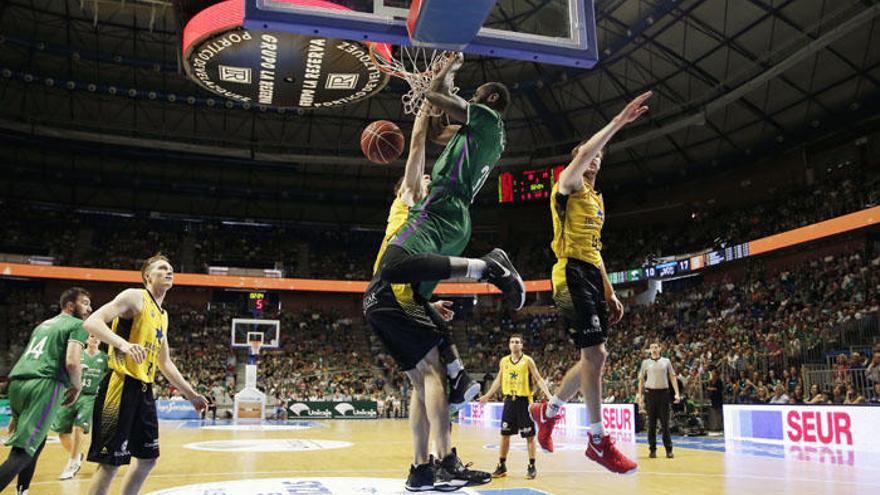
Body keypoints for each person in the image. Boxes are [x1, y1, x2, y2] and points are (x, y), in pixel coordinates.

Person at [364, 101, 489, 491]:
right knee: (433, 372)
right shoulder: (411, 198)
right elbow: (417, 144)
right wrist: (423, 108)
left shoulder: (410, 225)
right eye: (426, 184)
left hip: (382, 298)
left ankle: (420, 470)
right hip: (395, 292)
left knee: (420, 381)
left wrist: (426, 304)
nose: (431, 185)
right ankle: (446, 461)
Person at [529, 91, 652, 475]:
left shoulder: (598, 200)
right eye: (588, 151)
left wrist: (610, 290)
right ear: (579, 158)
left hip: (589, 274)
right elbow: (583, 155)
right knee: (595, 357)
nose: (594, 155)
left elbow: (595, 250)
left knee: (592, 358)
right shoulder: (566, 184)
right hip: (567, 273)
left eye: (599, 153)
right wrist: (618, 122)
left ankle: (546, 413)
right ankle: (597, 441)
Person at [375, 53, 525, 314]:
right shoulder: (482, 133)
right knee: (416, 298)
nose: (470, 99)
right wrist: (437, 97)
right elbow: (437, 133)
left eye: (476, 94)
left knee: (391, 266)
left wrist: (449, 69)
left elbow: (435, 96)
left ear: (491, 99)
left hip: (441, 204)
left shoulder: (488, 117)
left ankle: (487, 266)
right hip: (457, 217)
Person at [84, 254, 209, 495]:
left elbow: (165, 362)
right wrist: (124, 345)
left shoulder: (163, 315)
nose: (169, 271)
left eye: (171, 268)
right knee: (110, 464)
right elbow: (92, 322)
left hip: (144, 390)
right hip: (118, 386)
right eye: (162, 268)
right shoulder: (134, 296)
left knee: (148, 459)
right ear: (147, 276)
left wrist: (191, 395)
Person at [0, 287, 92, 494]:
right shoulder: (79, 325)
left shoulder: (43, 325)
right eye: (85, 303)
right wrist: (76, 387)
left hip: (17, 382)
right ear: (70, 305)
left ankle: (22, 490)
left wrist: (19, 413)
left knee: (38, 440)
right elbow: (72, 362)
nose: (89, 309)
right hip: (45, 384)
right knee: (23, 451)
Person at [478, 334, 552, 480]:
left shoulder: (527, 360)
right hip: (509, 402)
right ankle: (502, 465)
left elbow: (538, 378)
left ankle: (531, 466)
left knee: (529, 435)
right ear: (509, 345)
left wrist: (549, 396)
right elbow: (498, 380)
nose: (514, 344)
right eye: (512, 342)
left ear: (522, 345)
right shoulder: (504, 361)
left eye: (517, 342)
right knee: (505, 435)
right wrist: (488, 395)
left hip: (524, 402)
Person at [53, 333, 108, 480]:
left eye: (97, 336)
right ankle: (77, 456)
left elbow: (109, 379)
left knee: (78, 428)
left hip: (89, 397)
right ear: (86, 339)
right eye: (91, 336)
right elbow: (65, 371)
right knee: (62, 433)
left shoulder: (105, 359)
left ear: (101, 340)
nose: (95, 338)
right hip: (72, 394)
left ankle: (71, 464)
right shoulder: (77, 355)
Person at [637, 342, 680, 459]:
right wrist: (640, 396)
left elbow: (672, 376)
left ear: (660, 349)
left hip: (663, 394)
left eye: (656, 347)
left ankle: (669, 449)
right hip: (650, 394)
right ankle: (652, 450)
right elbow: (641, 380)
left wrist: (677, 393)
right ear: (649, 350)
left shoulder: (666, 361)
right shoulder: (645, 363)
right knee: (651, 424)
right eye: (652, 347)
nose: (654, 349)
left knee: (665, 424)